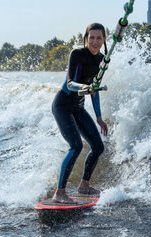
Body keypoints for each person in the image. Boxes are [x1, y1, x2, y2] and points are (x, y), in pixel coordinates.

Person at [51, 23, 109, 204]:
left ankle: (84, 185)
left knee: (98, 147)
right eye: (91, 37)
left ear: (104, 40)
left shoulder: (102, 60)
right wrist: (85, 87)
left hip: (78, 108)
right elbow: (70, 84)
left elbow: (96, 88)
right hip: (63, 105)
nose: (95, 41)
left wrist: (99, 117)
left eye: (99, 38)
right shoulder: (77, 54)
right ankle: (59, 193)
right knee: (75, 146)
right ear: (86, 38)